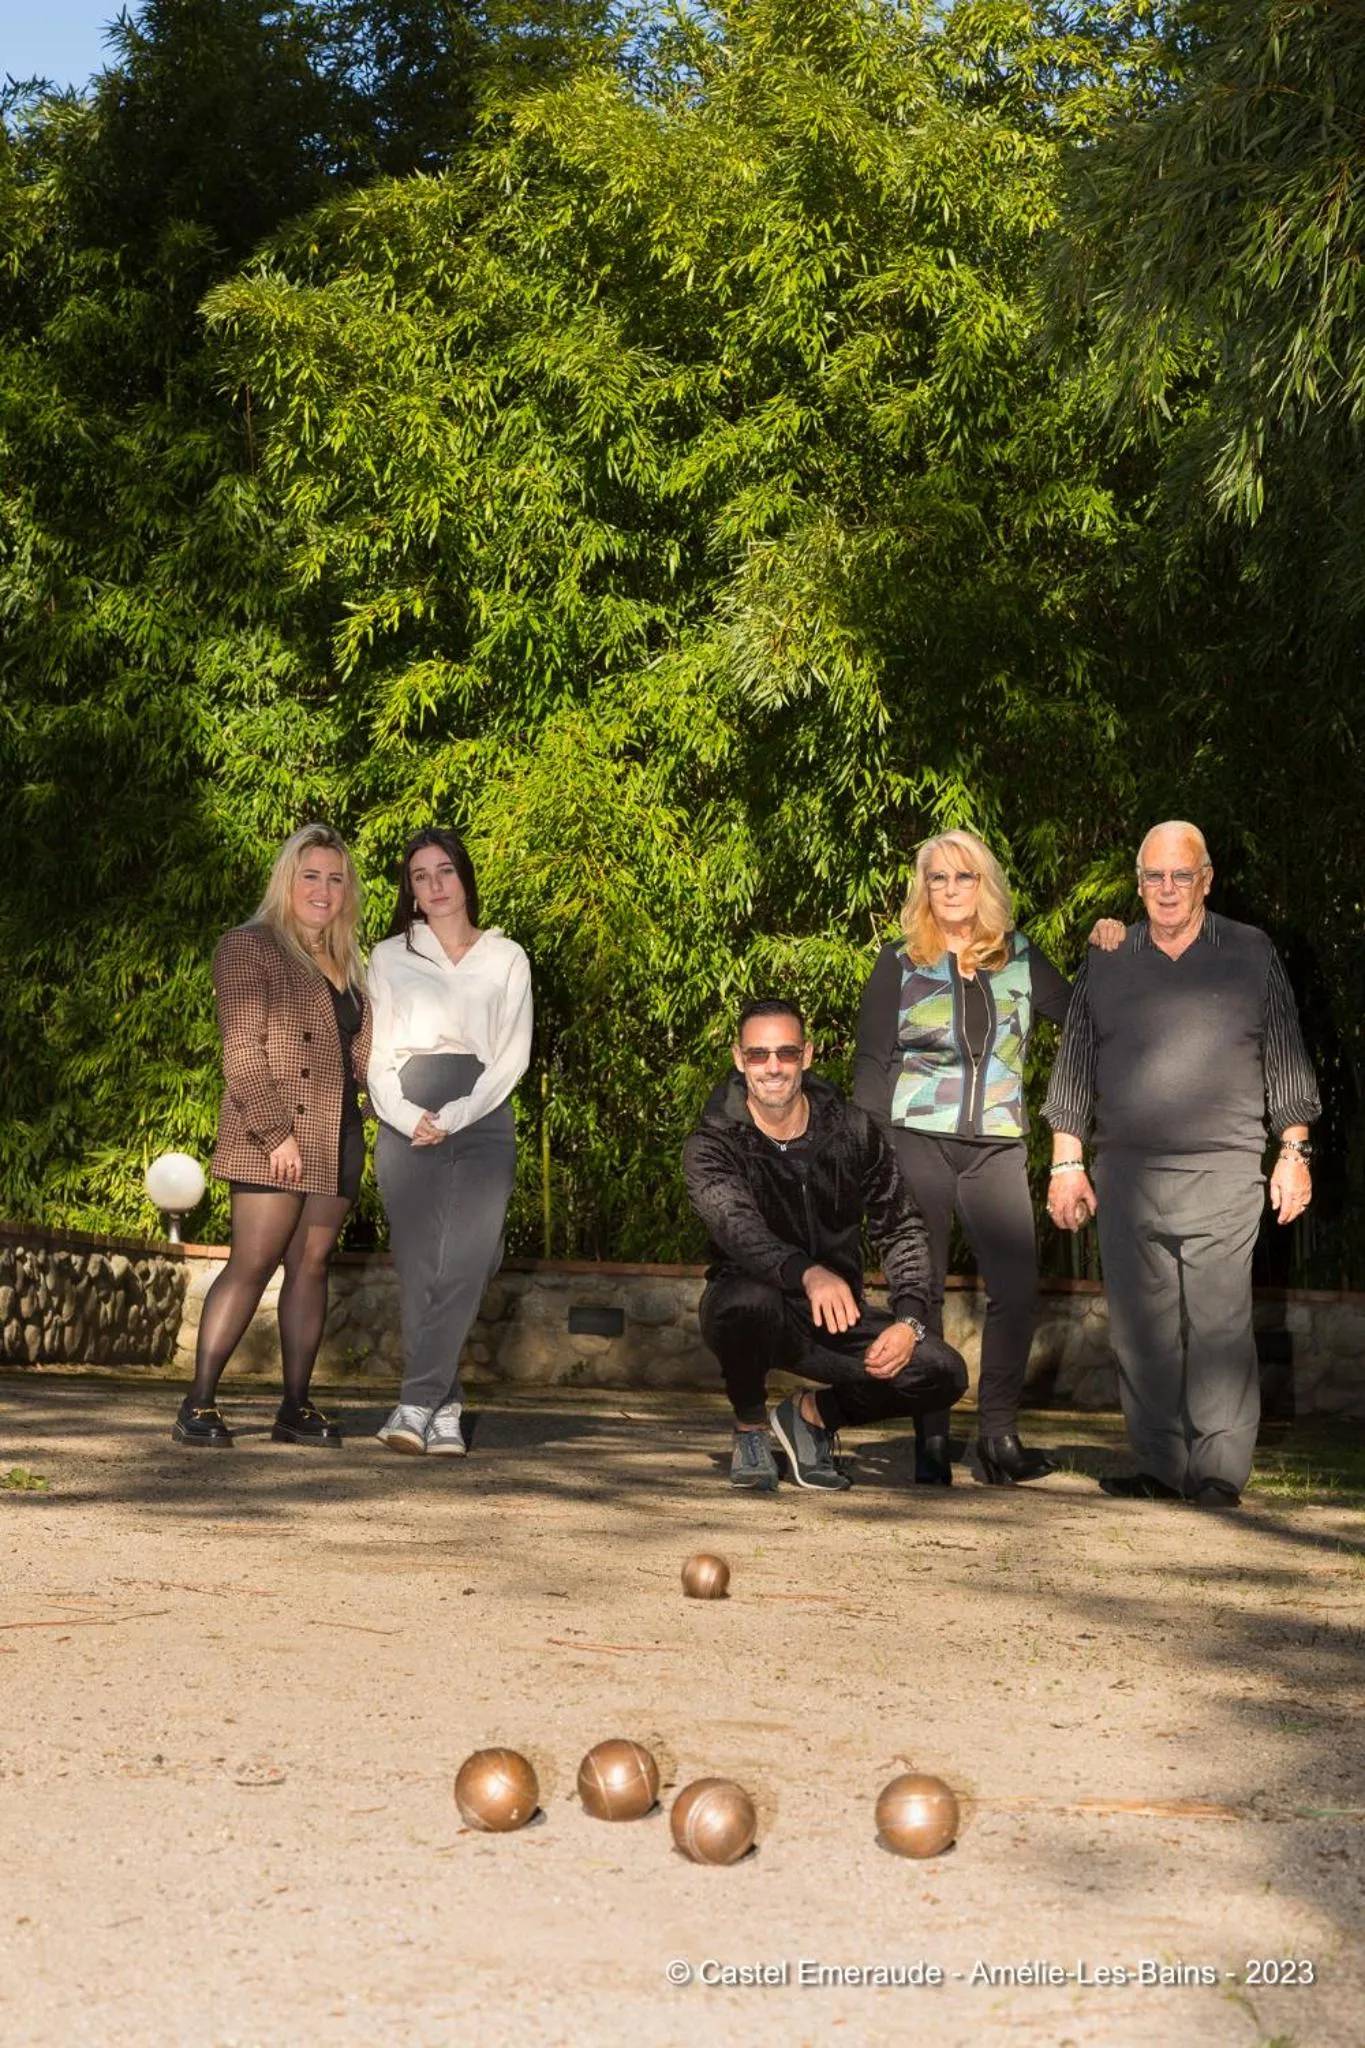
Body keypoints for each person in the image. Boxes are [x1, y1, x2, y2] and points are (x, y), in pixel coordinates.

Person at [1043, 821, 1320, 1508]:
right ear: (1137, 884)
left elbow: (1284, 1058)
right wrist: (1064, 1164)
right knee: (1141, 1327)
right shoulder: (1108, 954)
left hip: (1222, 1170)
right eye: (1152, 877)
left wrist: (1293, 1152)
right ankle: (1161, 1466)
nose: (1165, 889)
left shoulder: (1250, 951)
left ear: (1205, 880)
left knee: (1219, 1323)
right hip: (1126, 1174)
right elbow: (1075, 1065)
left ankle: (1218, 1470)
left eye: (1179, 875)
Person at [852, 831, 1072, 1486]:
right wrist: (867, 1153)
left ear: (985, 886)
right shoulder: (899, 962)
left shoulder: (1019, 959)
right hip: (914, 1141)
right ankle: (930, 1440)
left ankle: (998, 1438)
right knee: (920, 1293)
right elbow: (870, 1063)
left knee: (1015, 1290)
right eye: (938, 880)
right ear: (923, 890)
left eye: (963, 878)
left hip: (997, 1148)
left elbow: (1089, 1018)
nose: (950, 891)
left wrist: (1112, 948)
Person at [682, 997, 968, 1492]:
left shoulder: (853, 1131)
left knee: (941, 1371)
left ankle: (811, 1417)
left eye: (786, 1053)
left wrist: (909, 1318)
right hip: (753, 1306)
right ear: (738, 1058)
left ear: (807, 1055)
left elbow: (901, 1226)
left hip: (834, 1316)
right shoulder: (713, 1144)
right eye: (758, 1055)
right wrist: (807, 1272)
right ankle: (750, 1429)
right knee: (748, 1300)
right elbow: (738, 1229)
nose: (773, 1067)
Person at [174, 825, 371, 1448]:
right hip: (274, 1134)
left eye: (335, 879)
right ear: (287, 881)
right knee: (254, 1263)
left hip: (337, 1132)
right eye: (311, 876)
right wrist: (276, 1132)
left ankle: (295, 1406)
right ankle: (198, 1404)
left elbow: (359, 1057)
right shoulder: (248, 947)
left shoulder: (349, 963)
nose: (323, 889)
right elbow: (243, 1051)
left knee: (311, 1266)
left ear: (348, 893)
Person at [367, 829, 532, 1455]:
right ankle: (443, 1411)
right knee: (419, 1266)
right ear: (409, 889)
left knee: (468, 1258)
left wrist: (458, 1112)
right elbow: (376, 1054)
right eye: (419, 876)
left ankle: (413, 1402)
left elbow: (513, 1055)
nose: (434, 886)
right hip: (406, 1108)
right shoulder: (388, 956)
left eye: (444, 871)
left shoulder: (506, 956)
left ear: (464, 876)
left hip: (483, 1111)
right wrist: (409, 1116)